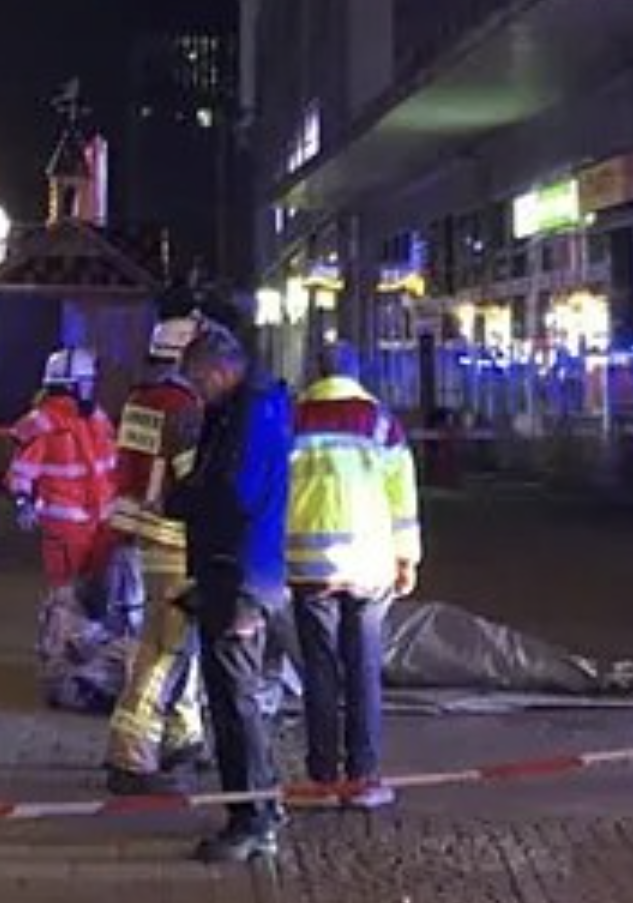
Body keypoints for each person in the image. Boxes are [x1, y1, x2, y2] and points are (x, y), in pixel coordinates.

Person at [286, 342, 422, 815]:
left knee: (319, 672)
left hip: (307, 567)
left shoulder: (293, 420)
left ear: (314, 372)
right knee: (363, 670)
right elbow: (401, 496)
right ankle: (363, 777)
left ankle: (322, 778)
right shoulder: (381, 422)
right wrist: (407, 557)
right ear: (356, 372)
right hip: (369, 565)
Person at [172, 324, 291, 864]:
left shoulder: (249, 415)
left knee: (234, 700)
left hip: (239, 574)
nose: (198, 393)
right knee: (234, 697)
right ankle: (257, 804)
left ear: (220, 371)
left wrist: (186, 498)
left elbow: (235, 492)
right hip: (239, 570)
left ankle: (253, 818)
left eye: (199, 381)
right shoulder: (250, 409)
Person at [104, 317, 209, 796]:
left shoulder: (140, 398)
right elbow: (192, 481)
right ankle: (131, 753)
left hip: (146, 534)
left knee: (176, 640)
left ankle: (182, 734)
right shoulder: (186, 406)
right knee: (165, 647)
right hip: (176, 536)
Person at [8, 347, 123, 710]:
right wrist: (23, 502)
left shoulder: (96, 418)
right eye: (87, 382)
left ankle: (87, 675)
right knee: (66, 604)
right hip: (67, 528)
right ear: (71, 385)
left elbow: (112, 465)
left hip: (101, 526)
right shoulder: (43, 423)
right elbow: (21, 472)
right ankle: (61, 680)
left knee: (94, 606)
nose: (92, 388)